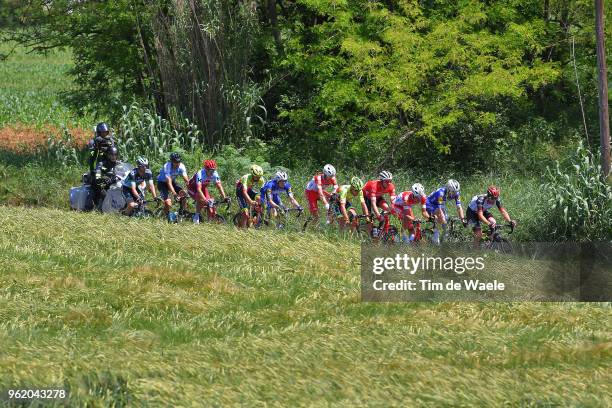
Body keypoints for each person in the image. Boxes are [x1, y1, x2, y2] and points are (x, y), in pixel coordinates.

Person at [425, 179, 465, 244]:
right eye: (452, 192)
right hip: (430, 204)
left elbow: (459, 207)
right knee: (440, 219)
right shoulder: (441, 193)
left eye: (455, 192)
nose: (453, 194)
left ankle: (443, 241)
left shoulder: (456, 193)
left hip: (439, 204)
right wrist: (443, 220)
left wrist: (462, 219)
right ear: (448, 189)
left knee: (446, 223)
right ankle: (435, 238)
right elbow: (440, 209)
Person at [187, 159, 227, 224]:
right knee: (201, 199)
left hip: (202, 188)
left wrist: (224, 197)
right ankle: (196, 217)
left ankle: (209, 222)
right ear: (206, 169)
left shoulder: (215, 174)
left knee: (210, 203)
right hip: (192, 188)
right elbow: (199, 189)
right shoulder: (200, 174)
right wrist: (205, 200)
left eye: (213, 170)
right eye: (210, 170)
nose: (212, 172)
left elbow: (219, 186)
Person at [157, 152, 189, 221]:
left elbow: (186, 180)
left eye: (179, 161)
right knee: (168, 202)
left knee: (184, 196)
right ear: (171, 161)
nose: (177, 163)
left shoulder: (181, 166)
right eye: (175, 162)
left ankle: (181, 215)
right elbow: (168, 182)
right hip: (162, 183)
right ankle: (164, 217)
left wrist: (189, 189)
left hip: (172, 182)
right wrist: (174, 194)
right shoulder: (167, 166)